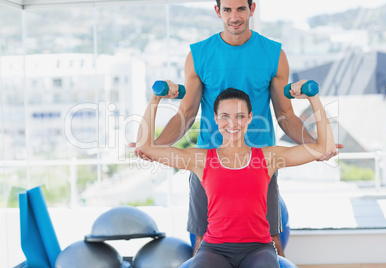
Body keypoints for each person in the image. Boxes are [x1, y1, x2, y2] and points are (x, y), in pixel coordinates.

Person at [131, 0, 342, 256]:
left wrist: (314, 147)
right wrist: (155, 147)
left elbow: (285, 114)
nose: (234, 16)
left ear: (252, 9)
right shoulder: (199, 54)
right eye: (228, 10)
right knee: (202, 239)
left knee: (272, 239)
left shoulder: (274, 54)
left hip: (260, 162)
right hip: (208, 161)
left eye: (241, 9)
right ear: (217, 11)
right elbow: (186, 113)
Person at [136, 81, 336, 268]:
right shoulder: (200, 160)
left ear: (250, 117)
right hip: (214, 249)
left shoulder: (268, 158)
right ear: (215, 118)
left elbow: (322, 147)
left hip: (258, 248)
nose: (232, 123)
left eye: (240, 116)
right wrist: (156, 98)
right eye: (225, 116)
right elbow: (145, 146)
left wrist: (313, 97)